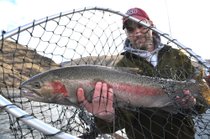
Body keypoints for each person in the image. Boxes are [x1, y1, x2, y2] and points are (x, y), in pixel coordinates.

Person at [76, 7, 208, 139]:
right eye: (130, 29)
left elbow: (202, 105)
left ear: (151, 25)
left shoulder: (177, 56)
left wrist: (193, 104)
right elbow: (118, 120)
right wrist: (107, 117)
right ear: (127, 33)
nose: (137, 32)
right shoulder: (121, 67)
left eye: (141, 25)